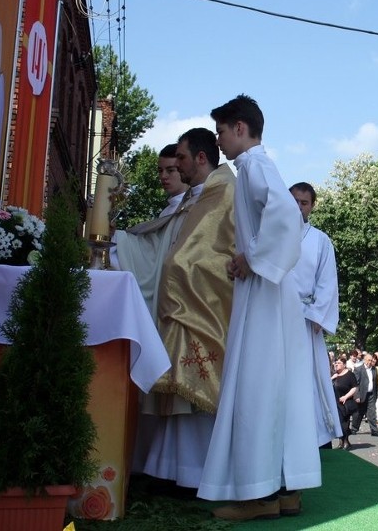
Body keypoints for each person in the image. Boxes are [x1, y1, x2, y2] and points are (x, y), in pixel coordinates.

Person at [197, 95, 318, 521]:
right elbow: (275, 223)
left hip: (265, 295)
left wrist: (252, 258)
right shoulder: (254, 166)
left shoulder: (253, 165)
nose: (220, 141)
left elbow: (285, 213)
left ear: (241, 129)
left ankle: (259, 496)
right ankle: (286, 490)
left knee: (257, 386)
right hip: (271, 290)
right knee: (276, 387)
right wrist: (250, 256)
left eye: (223, 132)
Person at [113, 128, 236, 489]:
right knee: (176, 396)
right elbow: (165, 247)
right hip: (181, 302)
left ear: (199, 158)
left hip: (205, 304)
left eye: (179, 158)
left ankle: (198, 473)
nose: (174, 166)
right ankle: (170, 469)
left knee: (195, 394)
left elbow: (212, 250)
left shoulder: (223, 190)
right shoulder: (192, 200)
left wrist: (179, 270)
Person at [288, 181, 343, 448]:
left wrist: (318, 315)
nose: (298, 207)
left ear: (312, 206)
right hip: (273, 313)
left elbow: (327, 281)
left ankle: (315, 435)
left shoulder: (320, 240)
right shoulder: (271, 235)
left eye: (304, 202)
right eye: (293, 201)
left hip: (304, 318)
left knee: (307, 376)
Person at [330, 356, 358, 450]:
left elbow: (355, 387)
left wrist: (346, 396)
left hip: (345, 402)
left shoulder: (349, 374)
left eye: (339, 363)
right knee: (337, 422)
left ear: (344, 365)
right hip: (335, 402)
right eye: (336, 363)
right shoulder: (334, 375)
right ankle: (341, 441)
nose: (336, 365)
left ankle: (345, 440)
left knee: (344, 422)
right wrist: (332, 378)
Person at [157, 143, 190, 217]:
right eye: (160, 171)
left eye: (170, 170)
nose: (163, 176)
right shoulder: (163, 214)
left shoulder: (197, 204)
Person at [351, 352, 378, 436]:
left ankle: (374, 430)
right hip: (362, 394)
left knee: (372, 413)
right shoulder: (358, 369)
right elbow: (355, 384)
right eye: (368, 360)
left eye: (371, 360)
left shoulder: (374, 369)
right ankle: (354, 428)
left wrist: (375, 395)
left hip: (371, 394)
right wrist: (357, 395)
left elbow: (375, 383)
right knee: (359, 413)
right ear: (364, 360)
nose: (370, 362)